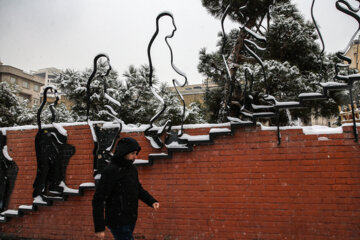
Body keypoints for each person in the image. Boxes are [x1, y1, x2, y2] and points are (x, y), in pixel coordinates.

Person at [92, 137, 160, 240]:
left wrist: (151, 201)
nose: (135, 157)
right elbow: (98, 199)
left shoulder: (132, 169)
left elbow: (138, 189)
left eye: (136, 153)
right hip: (117, 220)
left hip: (130, 218)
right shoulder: (111, 171)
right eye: (132, 153)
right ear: (124, 152)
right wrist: (99, 228)